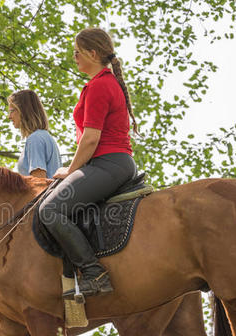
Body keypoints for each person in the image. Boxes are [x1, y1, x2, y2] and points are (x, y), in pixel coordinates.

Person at [39, 27, 139, 299]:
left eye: (77, 53)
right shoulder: (104, 83)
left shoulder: (99, 86)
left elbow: (91, 139)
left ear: (93, 53)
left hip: (107, 163)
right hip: (110, 163)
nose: (74, 58)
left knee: (50, 210)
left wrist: (70, 171)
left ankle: (95, 273)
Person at [8, 90, 61, 179]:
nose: (9, 117)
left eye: (11, 111)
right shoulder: (43, 136)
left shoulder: (35, 139)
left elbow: (39, 183)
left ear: (23, 110)